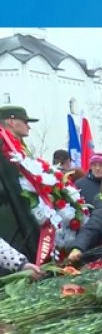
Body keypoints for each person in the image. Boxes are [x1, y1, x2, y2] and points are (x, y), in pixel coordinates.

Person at [0, 105, 40, 261]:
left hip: (23, 216)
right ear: (11, 121)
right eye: (24, 121)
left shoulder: (17, 147)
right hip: (9, 218)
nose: (28, 126)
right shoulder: (3, 145)